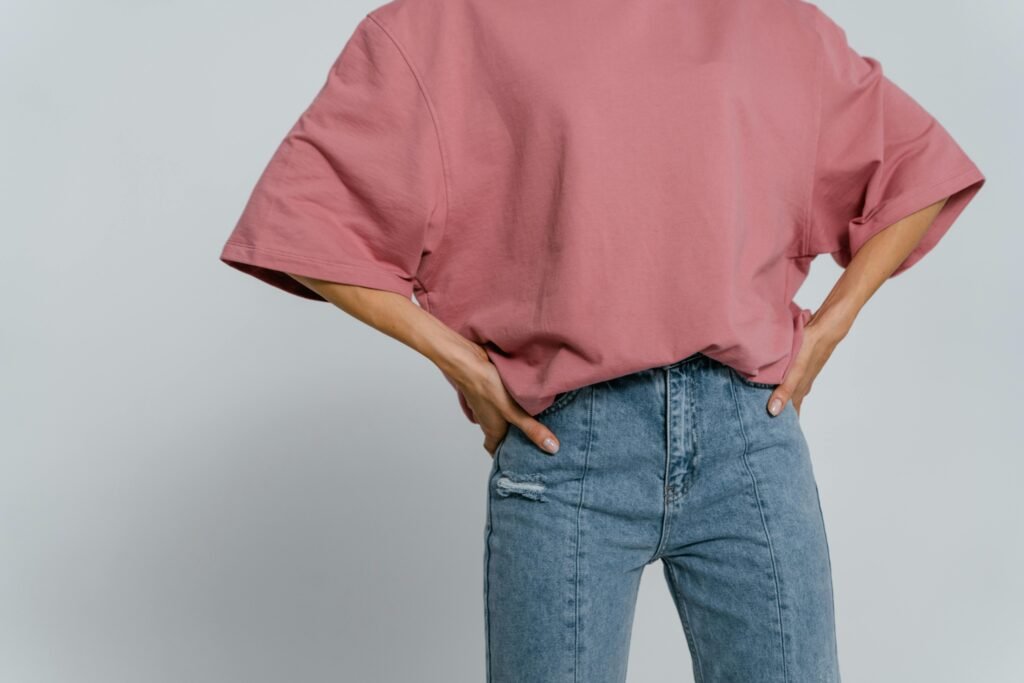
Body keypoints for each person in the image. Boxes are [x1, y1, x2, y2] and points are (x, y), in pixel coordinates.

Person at [218, 0, 985, 680]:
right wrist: (462, 363)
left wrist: (831, 325)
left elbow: (920, 167)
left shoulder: (765, 17)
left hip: (751, 441)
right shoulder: (446, 24)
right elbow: (302, 221)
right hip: (567, 449)